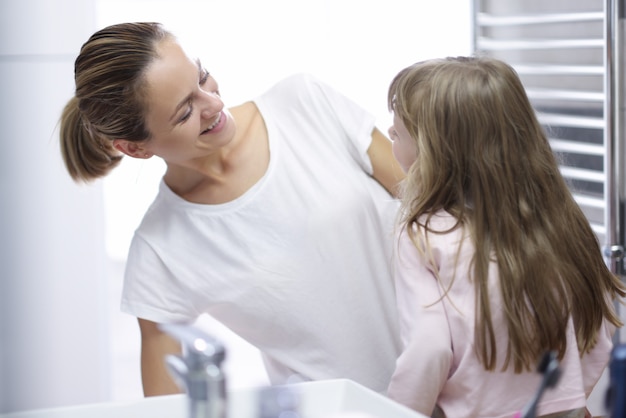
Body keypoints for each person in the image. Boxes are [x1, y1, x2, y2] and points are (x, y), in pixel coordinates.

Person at [59, 22, 405, 396]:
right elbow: (167, 406)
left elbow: (435, 202)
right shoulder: (160, 250)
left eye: (202, 78)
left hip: (462, 382)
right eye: (184, 112)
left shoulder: (305, 103)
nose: (214, 104)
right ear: (136, 148)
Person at [384, 56, 626, 418]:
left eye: (398, 131)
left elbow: (429, 349)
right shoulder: (558, 220)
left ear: (436, 153)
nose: (388, 134)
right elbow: (600, 320)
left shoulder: (425, 233)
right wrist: (567, 399)